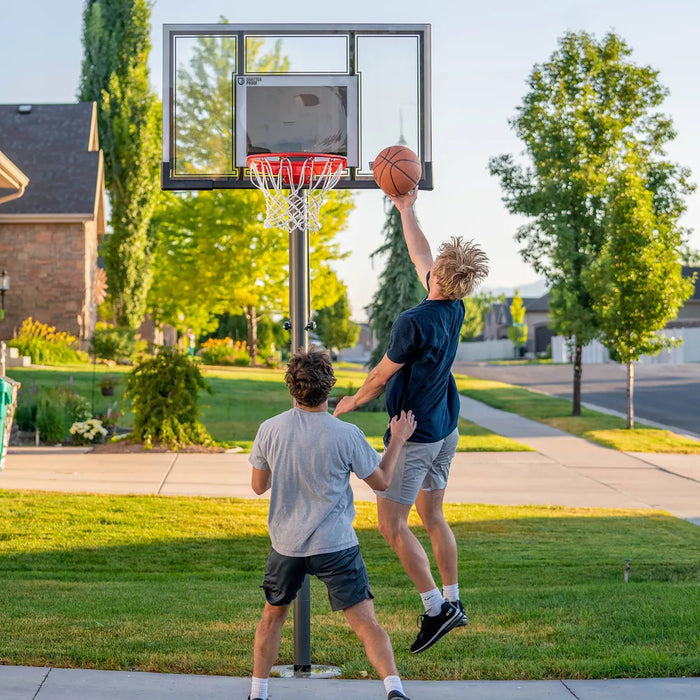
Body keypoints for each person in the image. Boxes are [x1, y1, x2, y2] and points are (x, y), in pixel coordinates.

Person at [334, 189, 489, 654]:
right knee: (433, 515)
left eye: (437, 260)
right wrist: (406, 208)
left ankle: (436, 609)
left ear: (439, 275)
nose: (431, 259)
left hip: (415, 435)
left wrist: (348, 403)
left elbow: (380, 378)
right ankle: (455, 600)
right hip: (446, 429)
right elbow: (418, 249)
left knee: (392, 525)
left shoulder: (413, 320)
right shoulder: (454, 306)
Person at [248, 348, 417, 700]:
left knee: (272, 618)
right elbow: (383, 481)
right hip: (337, 546)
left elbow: (258, 486)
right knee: (366, 624)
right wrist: (398, 438)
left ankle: (258, 693)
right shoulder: (346, 434)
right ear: (330, 389)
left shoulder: (269, 430)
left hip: (287, 546)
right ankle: (394, 689)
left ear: (291, 388)